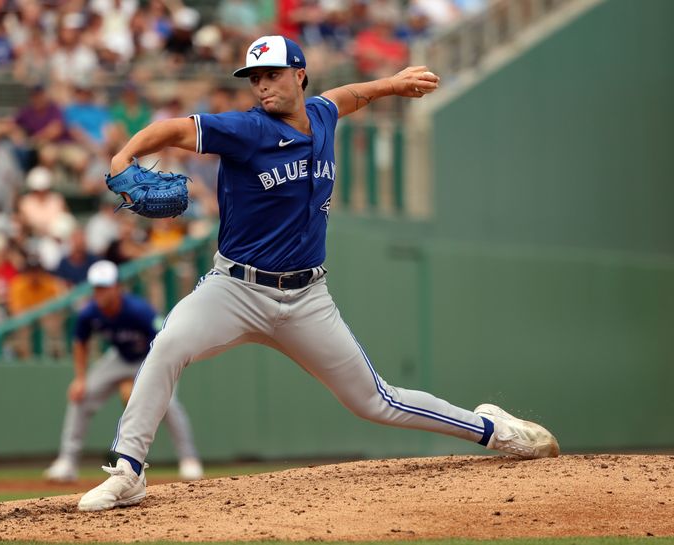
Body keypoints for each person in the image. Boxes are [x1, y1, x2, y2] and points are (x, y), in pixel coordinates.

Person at [77, 35, 559, 512]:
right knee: (167, 346)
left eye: (273, 75)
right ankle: (128, 473)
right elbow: (174, 129)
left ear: (299, 75)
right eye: (255, 78)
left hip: (306, 298)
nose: (263, 86)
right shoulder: (247, 130)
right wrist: (124, 158)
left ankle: (494, 430)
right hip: (235, 289)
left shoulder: (322, 117)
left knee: (376, 401)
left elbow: (347, 96)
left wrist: (393, 83)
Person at [45, 260, 203, 483]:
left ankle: (189, 460)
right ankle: (67, 462)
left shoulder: (138, 310)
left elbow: (163, 341)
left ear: (117, 287)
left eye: (105, 287)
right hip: (119, 358)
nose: (100, 293)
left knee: (169, 404)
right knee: (82, 395)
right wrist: (80, 379)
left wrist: (135, 380)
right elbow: (80, 342)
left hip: (151, 358)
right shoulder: (89, 312)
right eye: (97, 288)